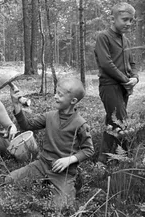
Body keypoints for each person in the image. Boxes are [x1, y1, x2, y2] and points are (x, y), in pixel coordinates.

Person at [5, 78, 94, 208]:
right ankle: (45, 181)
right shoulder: (49, 116)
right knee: (9, 181)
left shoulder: (80, 124)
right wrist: (16, 104)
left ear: (73, 101)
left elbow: (89, 150)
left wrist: (69, 160)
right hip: (42, 164)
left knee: (62, 207)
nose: (55, 96)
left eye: (60, 95)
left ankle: (72, 182)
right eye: (56, 93)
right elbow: (27, 125)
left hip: (64, 171)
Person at [94, 2, 139, 164]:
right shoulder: (103, 37)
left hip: (124, 88)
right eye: (125, 19)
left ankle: (101, 160)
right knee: (122, 123)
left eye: (131, 20)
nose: (128, 23)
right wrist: (125, 80)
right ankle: (127, 159)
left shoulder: (126, 41)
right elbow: (106, 64)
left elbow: (132, 64)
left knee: (111, 123)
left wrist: (135, 78)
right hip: (109, 87)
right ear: (113, 19)